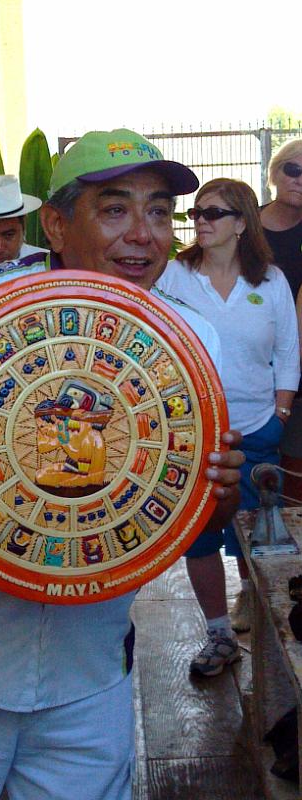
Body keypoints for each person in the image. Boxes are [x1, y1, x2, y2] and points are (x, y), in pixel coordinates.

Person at [0, 129, 244, 800]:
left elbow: (197, 503)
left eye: (156, 211)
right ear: (56, 224)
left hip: (88, 679)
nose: (142, 234)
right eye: (114, 209)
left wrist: (222, 492)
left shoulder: (188, 343)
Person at [158, 178, 300, 676]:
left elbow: (287, 351)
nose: (200, 221)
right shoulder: (174, 276)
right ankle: (218, 634)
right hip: (193, 436)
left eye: (214, 213)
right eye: (196, 213)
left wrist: (280, 414)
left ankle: (259, 620)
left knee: (253, 537)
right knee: (198, 539)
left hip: (258, 427)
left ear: (242, 222)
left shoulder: (271, 281)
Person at [260, 140, 302, 503]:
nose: (300, 179)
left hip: (296, 359)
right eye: (294, 169)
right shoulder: (242, 226)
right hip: (254, 358)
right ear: (276, 172)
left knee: (293, 473)